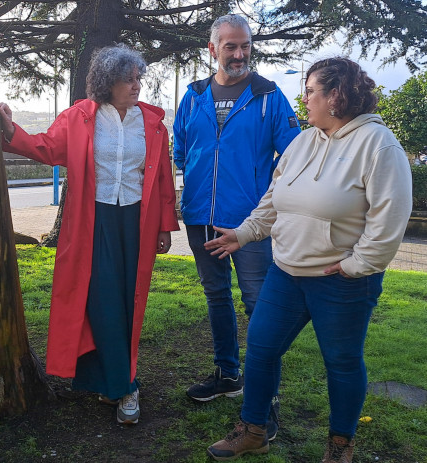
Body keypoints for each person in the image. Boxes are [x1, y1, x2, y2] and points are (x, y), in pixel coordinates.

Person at [203, 57, 412, 462]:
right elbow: (274, 200)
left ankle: (339, 446)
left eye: (311, 91)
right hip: (286, 272)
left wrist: (355, 266)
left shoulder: (378, 145)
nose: (305, 99)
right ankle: (254, 430)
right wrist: (244, 234)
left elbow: (388, 223)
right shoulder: (303, 141)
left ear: (335, 96)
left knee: (342, 362)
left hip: (342, 280)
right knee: (261, 350)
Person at [0, 44, 178, 425]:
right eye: (127, 79)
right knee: (101, 299)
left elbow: (162, 177)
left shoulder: (153, 123)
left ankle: (116, 380)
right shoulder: (80, 117)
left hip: (137, 223)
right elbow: (46, 147)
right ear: (107, 82)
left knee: (130, 300)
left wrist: (164, 225)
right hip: (93, 222)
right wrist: (12, 131)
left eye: (138, 78)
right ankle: (124, 386)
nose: (136, 86)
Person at [171, 13, 300, 435]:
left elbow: (296, 157)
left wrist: (272, 206)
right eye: (231, 46)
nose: (240, 53)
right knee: (216, 297)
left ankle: (267, 401)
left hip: (250, 225)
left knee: (258, 305)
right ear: (213, 49)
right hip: (200, 218)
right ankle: (228, 375)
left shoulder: (269, 95)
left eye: (245, 45)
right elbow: (182, 150)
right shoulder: (192, 95)